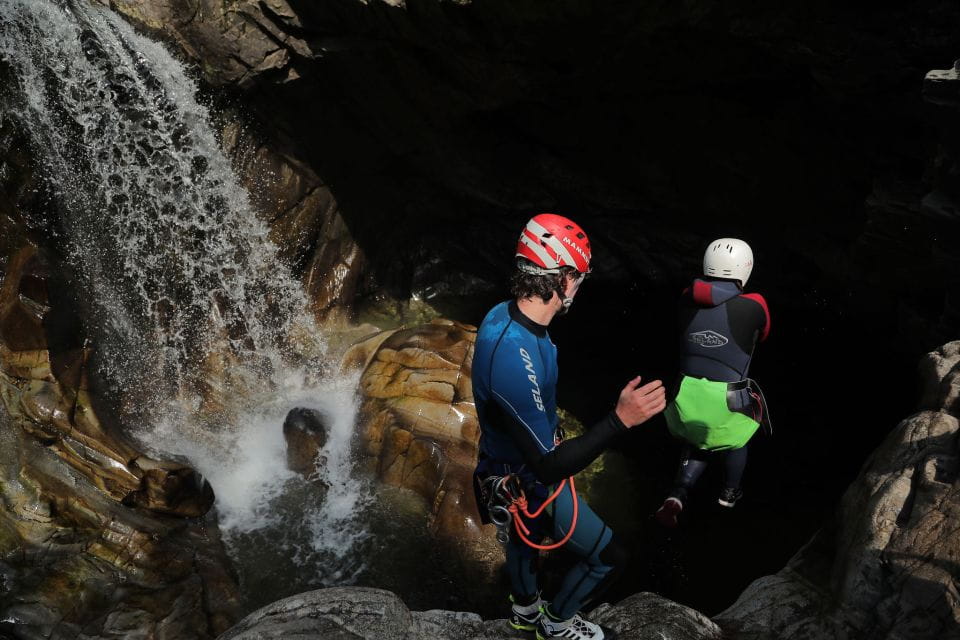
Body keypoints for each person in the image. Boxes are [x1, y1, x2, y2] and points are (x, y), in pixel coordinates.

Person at [472, 213, 666, 640]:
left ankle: (524, 611)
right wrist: (620, 419)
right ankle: (556, 625)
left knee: (525, 542)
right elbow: (546, 467)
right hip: (527, 476)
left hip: (505, 469)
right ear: (561, 279)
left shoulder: (504, 316)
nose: (580, 285)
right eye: (578, 276)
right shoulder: (511, 353)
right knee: (610, 556)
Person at [655, 238, 771, 528]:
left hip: (683, 397)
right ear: (745, 269)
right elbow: (764, 334)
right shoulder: (756, 306)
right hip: (727, 400)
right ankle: (729, 493)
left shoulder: (683, 297)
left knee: (697, 435)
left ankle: (677, 494)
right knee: (736, 439)